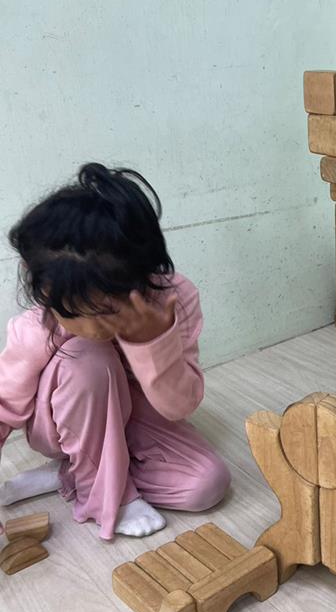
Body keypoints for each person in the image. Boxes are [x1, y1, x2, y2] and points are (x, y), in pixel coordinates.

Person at [0, 163, 231, 538]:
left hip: (139, 421)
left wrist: (152, 342)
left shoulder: (173, 299)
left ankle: (74, 474)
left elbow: (180, 407)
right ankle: (106, 493)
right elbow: (3, 405)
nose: (95, 328)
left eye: (108, 310)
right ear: (42, 289)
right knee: (89, 355)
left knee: (207, 484)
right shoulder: (37, 326)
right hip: (65, 424)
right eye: (74, 312)